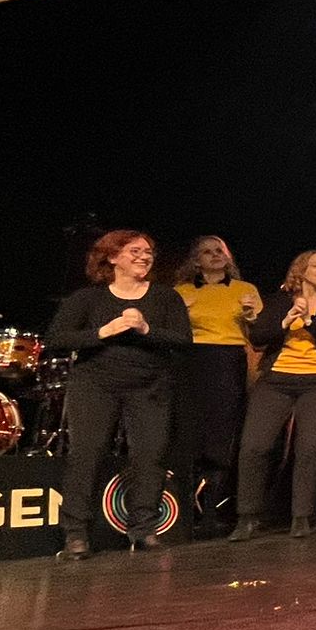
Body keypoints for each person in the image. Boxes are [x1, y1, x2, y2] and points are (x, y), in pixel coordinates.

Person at [46, 231, 192, 560]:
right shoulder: (88, 299)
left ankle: (143, 530)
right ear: (113, 258)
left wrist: (146, 330)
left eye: (148, 251)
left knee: (150, 455)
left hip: (149, 385)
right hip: (96, 385)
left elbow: (184, 341)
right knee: (87, 455)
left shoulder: (165, 298)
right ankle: (76, 535)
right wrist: (102, 332)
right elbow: (56, 339)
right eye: (134, 251)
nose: (144, 256)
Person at [232, 250, 316, 540]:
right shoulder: (279, 301)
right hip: (276, 382)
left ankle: (302, 517)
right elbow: (259, 338)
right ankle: (247, 517)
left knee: (309, 449)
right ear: (300, 270)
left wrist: (309, 318)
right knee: (254, 447)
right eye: (315, 265)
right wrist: (286, 320)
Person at [171, 235, 261, 536]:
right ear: (196, 260)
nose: (215, 255)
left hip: (227, 361)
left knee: (221, 438)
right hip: (190, 361)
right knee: (188, 436)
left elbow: (259, 336)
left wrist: (251, 315)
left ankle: (211, 513)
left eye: (220, 250)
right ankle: (182, 514)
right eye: (207, 252)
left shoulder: (245, 290)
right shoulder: (180, 292)